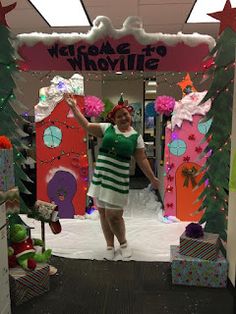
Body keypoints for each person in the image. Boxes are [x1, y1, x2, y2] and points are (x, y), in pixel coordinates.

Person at [64, 94, 160, 260]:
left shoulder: (136, 137)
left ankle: (123, 243)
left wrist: (153, 178)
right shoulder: (107, 128)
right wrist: (74, 107)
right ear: (114, 119)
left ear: (130, 115)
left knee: (114, 215)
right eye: (119, 116)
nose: (123, 118)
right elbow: (86, 125)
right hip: (102, 178)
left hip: (118, 180)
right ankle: (109, 244)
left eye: (125, 114)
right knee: (102, 213)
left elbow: (142, 159)